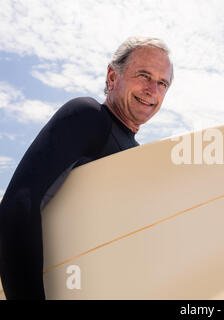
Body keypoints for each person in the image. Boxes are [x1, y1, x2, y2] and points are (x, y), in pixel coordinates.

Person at [0, 36, 173, 300]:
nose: (153, 89)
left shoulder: (135, 154)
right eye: (144, 75)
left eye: (162, 83)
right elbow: (18, 206)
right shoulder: (88, 117)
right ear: (112, 77)